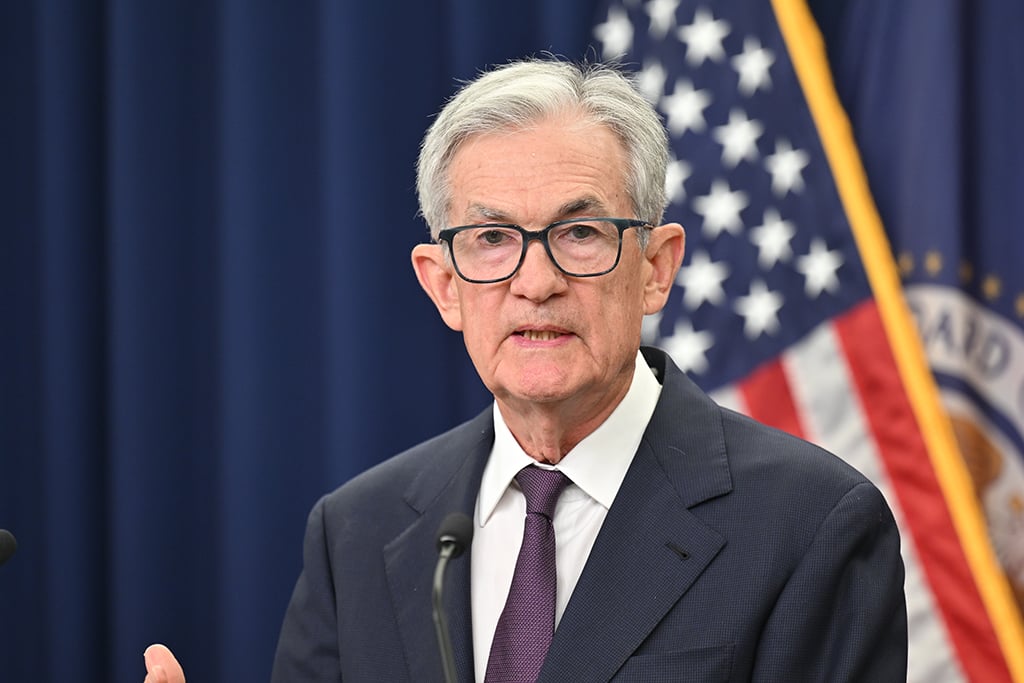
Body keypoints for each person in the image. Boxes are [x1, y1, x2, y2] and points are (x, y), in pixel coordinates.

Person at [145, 57, 907, 682]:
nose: (534, 280)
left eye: (579, 232)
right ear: (442, 284)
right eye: (490, 239)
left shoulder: (811, 525)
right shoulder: (357, 533)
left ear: (656, 267)